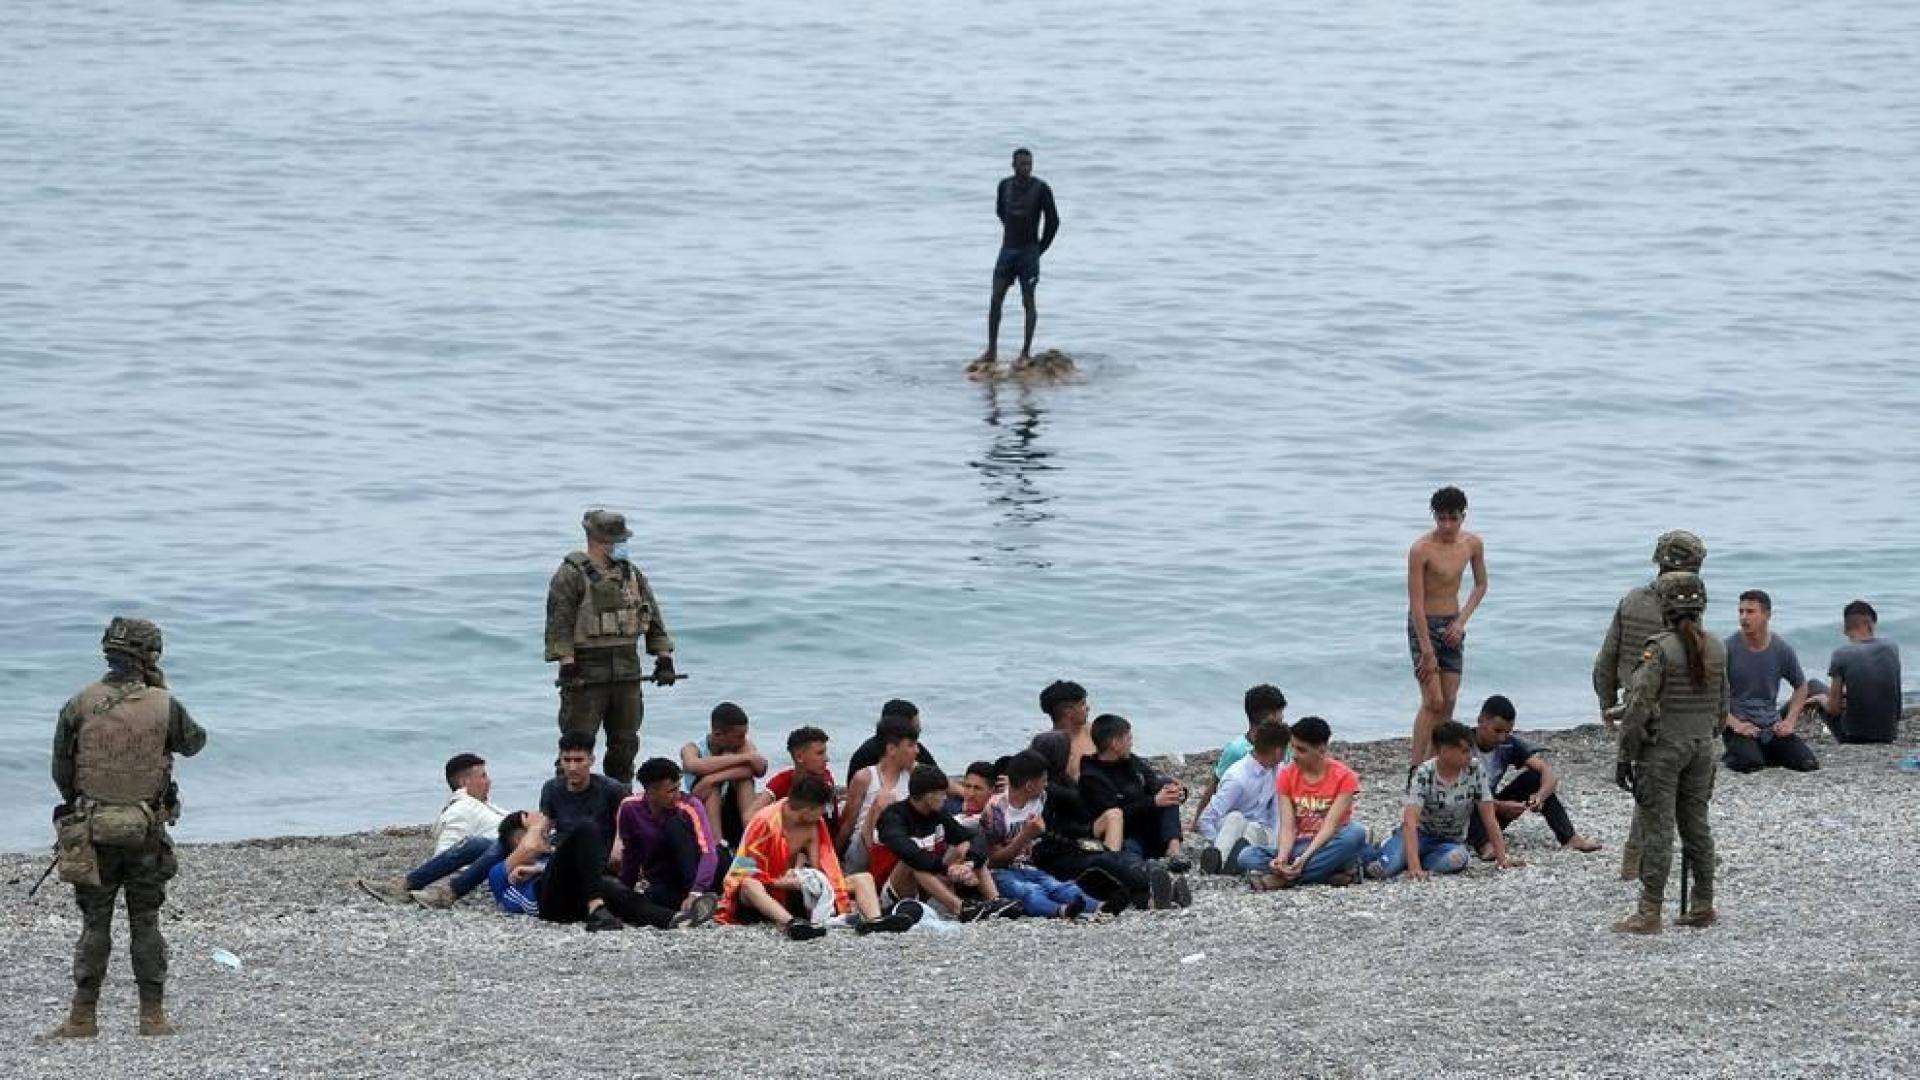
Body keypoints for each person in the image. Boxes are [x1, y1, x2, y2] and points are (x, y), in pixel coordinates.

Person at [47, 617, 208, 1039]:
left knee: (94, 924)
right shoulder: (163, 704)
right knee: (146, 920)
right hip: (145, 833)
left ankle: (82, 1018)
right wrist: (160, 691)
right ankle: (151, 1018)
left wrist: (84, 803)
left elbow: (61, 770)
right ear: (150, 656)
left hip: (91, 833)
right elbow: (193, 743)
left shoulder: (79, 702)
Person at [1613, 571, 1728, 934]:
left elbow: (1638, 707)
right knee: (1697, 826)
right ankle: (1703, 902)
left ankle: (1649, 911)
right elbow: (1723, 707)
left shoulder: (1658, 650)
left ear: (1664, 607)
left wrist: (1625, 754)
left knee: (1658, 829)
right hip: (1701, 747)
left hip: (1663, 751)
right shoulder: (1718, 647)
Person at [1593, 530, 1705, 880]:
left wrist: (1607, 701)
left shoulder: (1631, 600)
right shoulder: (1686, 608)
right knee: (1658, 790)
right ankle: (1636, 860)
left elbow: (1606, 658)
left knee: (1646, 784)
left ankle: (1636, 859)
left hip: (1631, 705)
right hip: (1670, 710)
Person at [544, 509, 678, 785]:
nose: (621, 545)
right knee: (577, 744)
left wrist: (664, 657)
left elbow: (652, 615)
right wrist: (567, 664)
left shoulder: (631, 574)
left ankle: (619, 801)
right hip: (586, 668)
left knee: (625, 742)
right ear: (598, 540)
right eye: (616, 540)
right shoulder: (570, 575)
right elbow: (560, 624)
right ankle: (565, 802)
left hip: (628, 666)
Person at [717, 775, 913, 939]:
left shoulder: (812, 825)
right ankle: (791, 924)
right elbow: (744, 871)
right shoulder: (764, 823)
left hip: (794, 887)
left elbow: (822, 870)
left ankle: (874, 921)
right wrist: (780, 883)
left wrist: (803, 880)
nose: (823, 814)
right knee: (750, 885)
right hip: (765, 893)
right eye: (821, 809)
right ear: (806, 811)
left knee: (863, 878)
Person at [488, 811, 700, 932]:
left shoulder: (545, 861)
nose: (546, 834)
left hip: (578, 902)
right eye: (541, 832)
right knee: (584, 827)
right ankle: (596, 908)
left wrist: (539, 867)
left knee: (614, 891)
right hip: (548, 906)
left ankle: (673, 919)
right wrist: (534, 827)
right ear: (518, 839)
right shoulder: (499, 871)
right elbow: (529, 848)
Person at [1367, 720, 1518, 880]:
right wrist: (1414, 868)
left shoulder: (1475, 771)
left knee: (1458, 860)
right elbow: (1410, 821)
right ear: (1445, 751)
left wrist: (1502, 859)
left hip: (1449, 841)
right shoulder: (1424, 773)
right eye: (1465, 751)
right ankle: (1382, 849)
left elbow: (1489, 817)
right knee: (1384, 870)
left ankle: (1416, 858)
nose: (1470, 756)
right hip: (1420, 834)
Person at [358, 752, 510, 908]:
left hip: (519, 847)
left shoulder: (486, 806)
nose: (489, 781)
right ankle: (407, 887)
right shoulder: (462, 808)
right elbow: (449, 851)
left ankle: (404, 887)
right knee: (475, 844)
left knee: (477, 844)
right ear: (465, 782)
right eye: (483, 776)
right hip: (511, 850)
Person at [1406, 486, 1489, 765]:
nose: (1446, 525)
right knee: (1433, 702)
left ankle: (1435, 764)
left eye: (1452, 518)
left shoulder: (1472, 544)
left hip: (1453, 624)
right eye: (1441, 518)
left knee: (1450, 700)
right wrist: (1426, 650)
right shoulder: (1421, 549)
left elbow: (1480, 585)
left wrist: (1461, 621)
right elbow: (1416, 603)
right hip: (1424, 626)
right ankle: (1416, 770)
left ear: (1463, 516)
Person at [1078, 714, 1195, 908]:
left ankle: (1174, 852)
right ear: (1115, 743)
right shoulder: (1092, 777)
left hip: (1150, 831)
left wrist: (1180, 792)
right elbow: (1114, 814)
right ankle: (1155, 882)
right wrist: (1153, 802)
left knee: (1167, 785)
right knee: (1131, 859)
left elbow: (1153, 783)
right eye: (1128, 738)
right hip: (1124, 836)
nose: (1131, 743)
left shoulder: (1131, 762)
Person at [1465, 696, 1602, 857]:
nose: (1502, 737)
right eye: (1497, 731)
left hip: (1490, 812)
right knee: (1470, 803)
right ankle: (1485, 845)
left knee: (1534, 777)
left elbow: (1547, 771)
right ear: (1481, 721)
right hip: (1461, 815)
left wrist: (1540, 796)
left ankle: (1569, 837)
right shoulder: (1462, 743)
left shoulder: (1508, 745)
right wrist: (1500, 806)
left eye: (1507, 732)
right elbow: (1457, 791)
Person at [980, 750, 1110, 918]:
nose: (1046, 784)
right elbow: (994, 860)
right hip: (999, 872)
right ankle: (1059, 911)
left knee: (1057, 886)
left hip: (1027, 865)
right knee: (1029, 892)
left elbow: (1074, 801)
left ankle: (1100, 907)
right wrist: (1025, 836)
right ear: (1029, 785)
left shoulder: (1040, 798)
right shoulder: (995, 811)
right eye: (1043, 780)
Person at [876, 765, 1016, 919]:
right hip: (894, 891)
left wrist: (968, 864)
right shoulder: (893, 817)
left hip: (929, 884)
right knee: (913, 861)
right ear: (929, 796)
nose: (946, 798)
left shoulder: (937, 813)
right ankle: (961, 909)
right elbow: (909, 852)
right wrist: (947, 869)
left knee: (965, 847)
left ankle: (995, 901)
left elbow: (971, 836)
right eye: (942, 794)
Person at [971, 147, 1061, 374]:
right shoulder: (1005, 186)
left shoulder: (1041, 189)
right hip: (1008, 250)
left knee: (1028, 301)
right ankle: (992, 350)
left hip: (1029, 252)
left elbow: (1053, 221)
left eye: (1029, 165)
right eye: (1022, 165)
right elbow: (1000, 211)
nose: (1026, 169)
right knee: (995, 298)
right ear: (1013, 165)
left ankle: (1025, 352)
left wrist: (1040, 248)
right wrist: (1012, 231)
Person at [1251, 716, 1368, 890]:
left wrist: (1304, 859)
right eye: (1293, 747)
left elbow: (1329, 827)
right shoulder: (1287, 775)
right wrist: (1282, 858)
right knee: (1247, 856)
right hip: (1300, 844)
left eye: (1302, 750)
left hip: (1329, 841)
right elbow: (1288, 826)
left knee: (1356, 833)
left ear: (1321, 750)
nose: (1294, 755)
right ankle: (1332, 873)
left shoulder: (1345, 777)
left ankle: (1285, 880)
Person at [1721, 590, 1819, 774]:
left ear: (1767, 615)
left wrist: (1789, 721)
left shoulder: (1781, 649)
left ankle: (1763, 750)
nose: (1743, 617)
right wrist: (1735, 724)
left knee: (1808, 764)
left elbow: (1801, 686)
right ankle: (1740, 753)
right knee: (1750, 765)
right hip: (1739, 726)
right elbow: (1710, 693)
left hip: (1771, 725)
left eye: (1750, 612)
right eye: (1740, 612)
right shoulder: (1727, 648)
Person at [616, 758, 723, 927]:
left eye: (678, 788)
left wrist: (696, 890)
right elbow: (631, 853)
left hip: (701, 871)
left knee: (674, 824)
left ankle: (699, 898)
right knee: (652, 896)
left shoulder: (689, 806)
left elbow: (708, 851)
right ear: (651, 792)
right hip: (666, 877)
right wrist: (623, 891)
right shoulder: (630, 808)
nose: (677, 795)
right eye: (670, 791)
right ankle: (694, 908)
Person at [1196, 719, 1289, 875]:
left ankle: (1236, 862)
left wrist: (1277, 850)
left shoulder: (1279, 772)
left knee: (1253, 828)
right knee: (1235, 818)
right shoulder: (1237, 777)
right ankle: (1218, 858)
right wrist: (1215, 839)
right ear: (1278, 752)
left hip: (1259, 833)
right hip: (1229, 830)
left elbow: (1276, 817)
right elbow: (1206, 819)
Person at [1191, 684, 1287, 829]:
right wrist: (1197, 821)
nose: (1282, 717)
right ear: (1270, 716)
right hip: (1238, 820)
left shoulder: (1283, 746)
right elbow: (1215, 785)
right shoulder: (1237, 750)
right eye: (1280, 712)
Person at [1809, 600, 1904, 744]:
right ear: (1871, 624)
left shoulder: (1841, 654)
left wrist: (1820, 699)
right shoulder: (1892, 648)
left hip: (1853, 737)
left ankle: (1776, 723)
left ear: (1845, 629)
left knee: (1812, 686)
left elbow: (1833, 709)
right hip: (1888, 734)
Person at [836, 712, 919, 873]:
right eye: (911, 745)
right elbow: (848, 823)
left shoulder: (914, 774)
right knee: (884, 801)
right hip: (864, 849)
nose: (917, 751)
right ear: (891, 749)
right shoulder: (865, 777)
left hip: (900, 846)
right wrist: (835, 857)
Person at [538, 731, 629, 872]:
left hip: (600, 856)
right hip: (562, 850)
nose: (572, 768)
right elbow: (544, 828)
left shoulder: (612, 789)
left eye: (579, 760)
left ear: (591, 760)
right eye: (567, 760)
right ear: (560, 761)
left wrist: (618, 847)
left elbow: (625, 828)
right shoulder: (551, 788)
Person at [681, 702, 768, 848]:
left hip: (730, 806)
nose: (743, 739)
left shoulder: (743, 745)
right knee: (712, 788)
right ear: (718, 734)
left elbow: (758, 769)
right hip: (702, 802)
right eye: (739, 736)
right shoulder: (691, 748)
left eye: (745, 735)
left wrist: (713, 778)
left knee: (744, 780)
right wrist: (744, 758)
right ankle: (718, 844)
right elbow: (694, 765)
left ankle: (751, 832)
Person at [754, 726, 839, 832]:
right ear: (799, 757)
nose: (827, 759)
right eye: (820, 753)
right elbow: (750, 816)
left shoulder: (827, 778)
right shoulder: (782, 782)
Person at [1030, 679, 1094, 784]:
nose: (1088, 708)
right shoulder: (1047, 747)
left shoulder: (1096, 731)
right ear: (1068, 711)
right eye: (1082, 704)